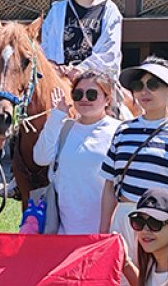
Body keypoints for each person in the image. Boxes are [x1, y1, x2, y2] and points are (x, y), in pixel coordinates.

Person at [100, 57, 168, 251]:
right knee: (122, 281)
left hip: (161, 223)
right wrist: (103, 229)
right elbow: (110, 186)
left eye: (153, 84)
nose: (144, 91)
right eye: (138, 85)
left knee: (158, 281)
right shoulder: (123, 130)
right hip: (123, 222)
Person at [31, 71, 120, 234]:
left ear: (107, 99)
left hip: (104, 232)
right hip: (64, 231)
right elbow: (41, 158)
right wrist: (56, 116)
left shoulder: (119, 131)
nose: (84, 99)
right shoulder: (64, 127)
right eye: (78, 94)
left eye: (92, 94)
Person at [41, 0, 123, 81]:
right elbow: (44, 46)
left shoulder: (109, 10)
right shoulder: (57, 11)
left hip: (94, 82)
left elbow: (110, 52)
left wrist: (81, 69)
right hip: (60, 81)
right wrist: (55, 67)